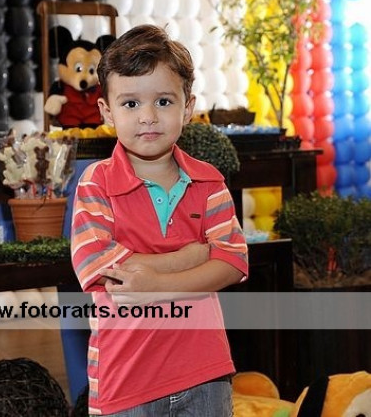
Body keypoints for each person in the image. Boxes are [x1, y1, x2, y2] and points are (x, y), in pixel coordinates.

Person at [70, 24, 248, 416]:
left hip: (205, 373)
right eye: (131, 104)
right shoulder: (96, 183)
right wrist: (192, 257)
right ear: (107, 112)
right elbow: (98, 267)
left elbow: (233, 262)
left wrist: (155, 284)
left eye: (164, 101)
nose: (148, 117)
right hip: (126, 380)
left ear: (187, 107)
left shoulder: (209, 181)